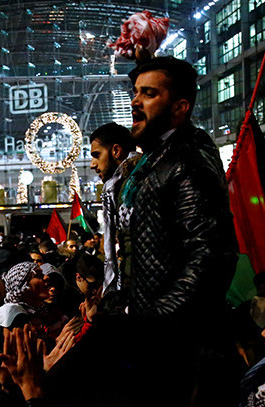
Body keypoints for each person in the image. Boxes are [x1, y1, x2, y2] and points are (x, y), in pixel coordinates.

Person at [122, 56, 237, 318]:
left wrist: (155, 321)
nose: (135, 102)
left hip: (176, 343)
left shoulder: (186, 164)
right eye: (136, 92)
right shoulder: (158, 159)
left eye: (148, 94)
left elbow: (210, 257)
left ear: (180, 107)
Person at [89, 122, 138, 293]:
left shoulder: (138, 183)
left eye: (97, 155)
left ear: (116, 151)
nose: (92, 164)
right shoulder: (122, 185)